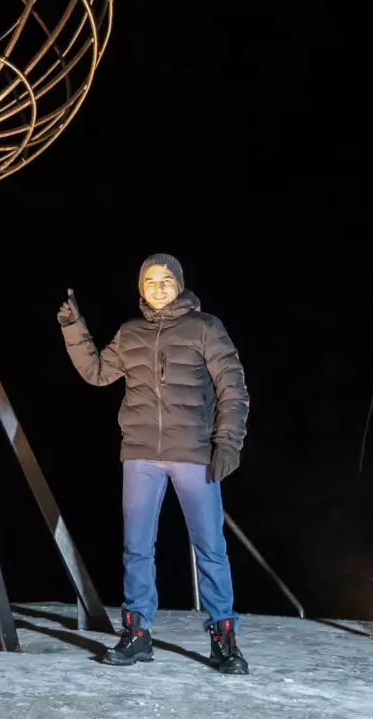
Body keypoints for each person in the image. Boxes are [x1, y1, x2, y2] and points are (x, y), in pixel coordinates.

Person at [58, 253, 251, 673]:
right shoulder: (130, 333)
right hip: (141, 453)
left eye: (166, 279)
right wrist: (74, 328)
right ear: (140, 287)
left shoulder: (206, 327)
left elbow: (233, 387)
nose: (158, 286)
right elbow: (95, 372)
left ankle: (224, 639)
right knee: (137, 548)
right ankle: (137, 634)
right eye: (150, 280)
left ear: (179, 284)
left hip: (194, 453)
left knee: (211, 549)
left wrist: (228, 443)